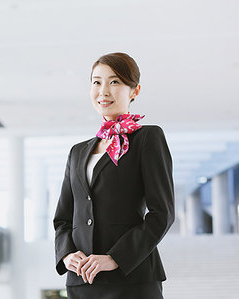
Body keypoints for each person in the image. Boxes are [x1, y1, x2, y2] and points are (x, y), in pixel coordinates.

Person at [53, 52, 174, 299]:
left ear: (134, 91)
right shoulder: (77, 152)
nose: (103, 91)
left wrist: (115, 258)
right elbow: (63, 219)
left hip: (131, 279)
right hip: (81, 282)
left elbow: (162, 213)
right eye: (96, 82)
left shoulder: (148, 138)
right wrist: (67, 254)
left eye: (115, 81)